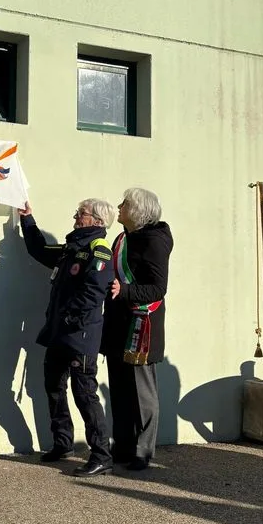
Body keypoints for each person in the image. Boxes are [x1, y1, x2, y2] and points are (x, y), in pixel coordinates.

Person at [19, 198, 115, 475]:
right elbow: (39, 249)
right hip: (60, 333)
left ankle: (101, 455)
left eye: (81, 213)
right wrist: (28, 220)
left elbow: (93, 292)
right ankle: (63, 443)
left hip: (80, 335)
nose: (76, 216)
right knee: (54, 386)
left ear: (96, 221)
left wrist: (70, 317)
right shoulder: (72, 249)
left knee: (84, 393)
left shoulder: (99, 250)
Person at [102, 187, 173, 471]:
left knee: (142, 393)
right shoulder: (123, 238)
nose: (119, 207)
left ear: (139, 211)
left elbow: (158, 288)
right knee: (119, 390)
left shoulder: (154, 241)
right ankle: (122, 446)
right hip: (118, 323)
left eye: (125, 204)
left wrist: (126, 290)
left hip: (142, 326)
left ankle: (143, 450)